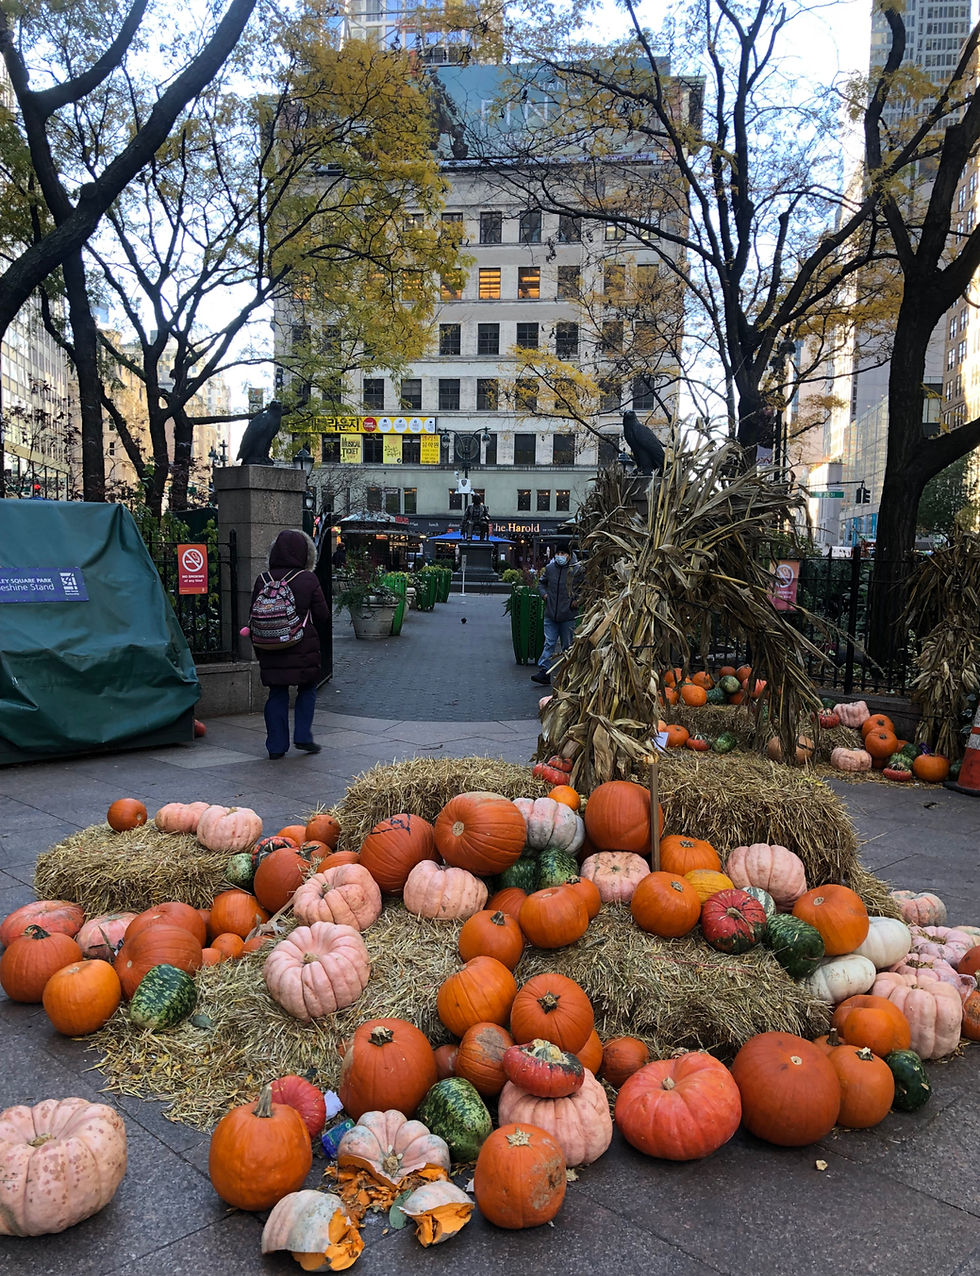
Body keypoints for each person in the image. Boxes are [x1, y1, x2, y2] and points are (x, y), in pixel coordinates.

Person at [250, 529, 330, 759]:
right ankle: (303, 735)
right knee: (307, 688)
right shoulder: (308, 578)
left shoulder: (263, 579)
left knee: (277, 693)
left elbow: (253, 614)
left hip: (269, 646)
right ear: (306, 554)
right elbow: (322, 615)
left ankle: (276, 746)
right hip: (301, 645)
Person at [531, 547, 582, 686]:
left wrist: (577, 600)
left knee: (567, 645)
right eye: (558, 553)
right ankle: (544, 671)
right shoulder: (550, 568)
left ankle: (568, 672)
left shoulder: (576, 570)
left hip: (567, 615)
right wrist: (544, 595)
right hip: (551, 613)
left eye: (563, 553)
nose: (560, 556)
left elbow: (584, 587)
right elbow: (541, 583)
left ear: (569, 555)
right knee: (549, 642)